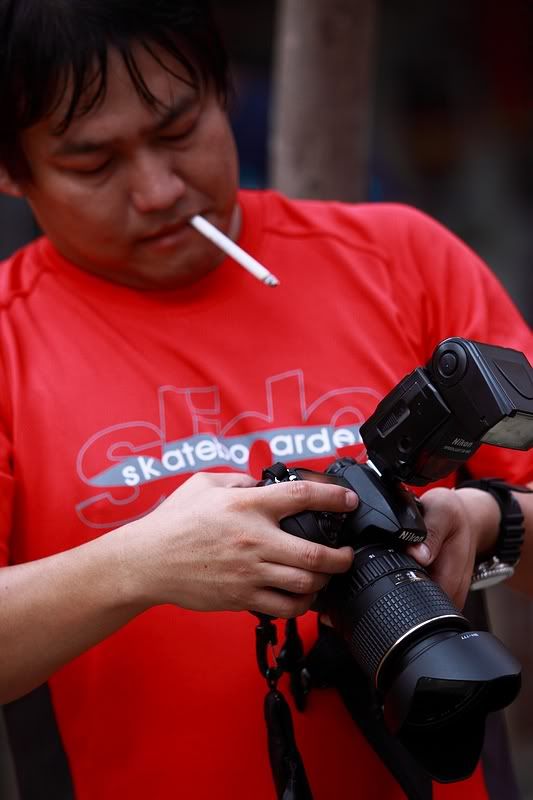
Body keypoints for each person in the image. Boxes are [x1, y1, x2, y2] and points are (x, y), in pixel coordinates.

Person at [0, 2, 531, 799]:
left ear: (225, 92)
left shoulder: (401, 261)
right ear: (12, 171)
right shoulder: (11, 339)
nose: (158, 190)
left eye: (180, 129)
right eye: (92, 163)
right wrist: (138, 566)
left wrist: (490, 523)